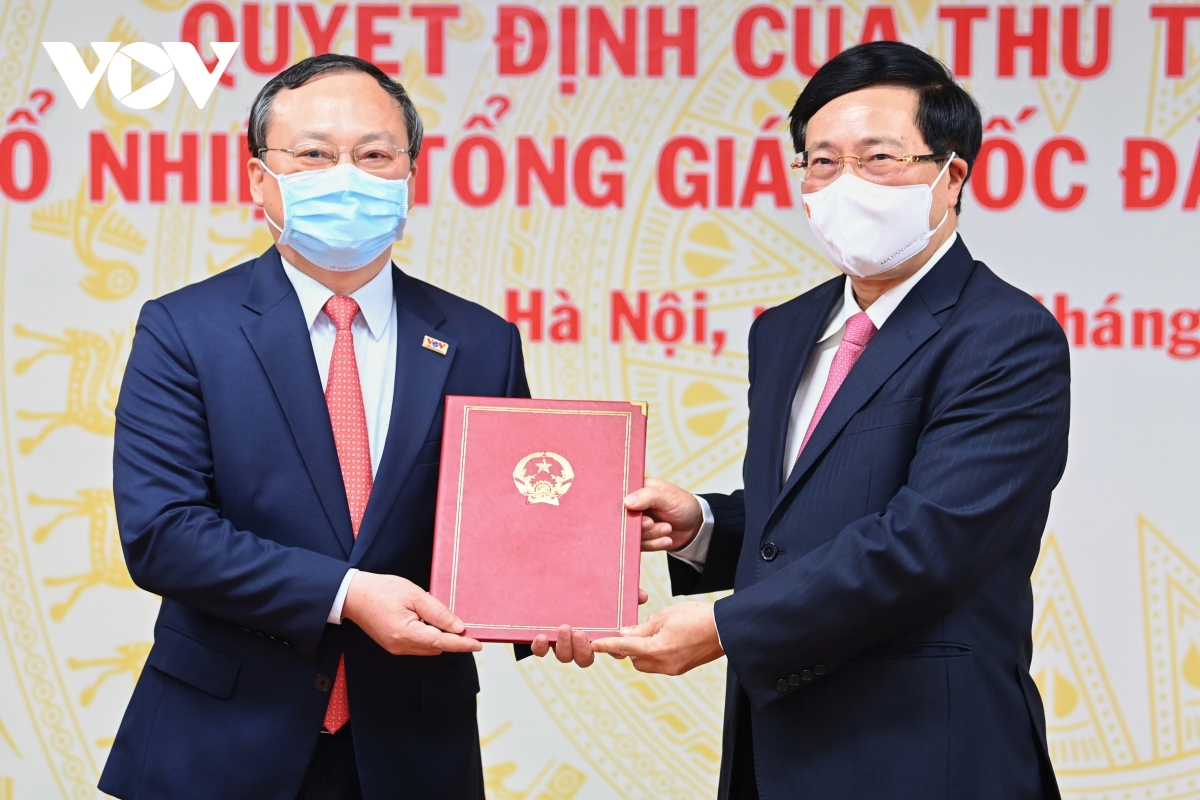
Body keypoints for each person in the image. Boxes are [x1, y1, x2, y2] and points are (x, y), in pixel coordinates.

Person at [588, 41, 1071, 800]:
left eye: (879, 158)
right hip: (777, 749)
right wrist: (704, 525)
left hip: (927, 754)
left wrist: (725, 627)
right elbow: (812, 516)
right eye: (821, 162)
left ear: (951, 176)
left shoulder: (1006, 335)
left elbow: (926, 543)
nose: (845, 183)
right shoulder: (784, 330)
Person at [99, 54, 529, 800]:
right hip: (221, 742)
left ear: (410, 172)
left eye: (374, 155)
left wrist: (565, 595)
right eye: (314, 155)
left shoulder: (482, 342)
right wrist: (346, 593)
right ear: (260, 177)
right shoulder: (184, 329)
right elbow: (163, 534)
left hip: (414, 749)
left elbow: (509, 527)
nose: (347, 177)